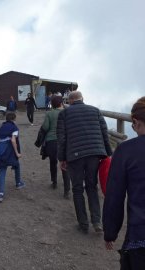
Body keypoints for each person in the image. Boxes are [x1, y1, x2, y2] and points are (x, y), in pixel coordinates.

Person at [57, 91, 112, 234]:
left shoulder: (64, 114)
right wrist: (108, 153)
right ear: (82, 99)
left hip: (74, 156)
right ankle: (96, 221)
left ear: (69, 101)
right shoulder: (95, 111)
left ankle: (83, 223)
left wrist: (62, 158)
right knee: (92, 187)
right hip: (94, 154)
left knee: (77, 189)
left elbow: (62, 138)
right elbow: (104, 133)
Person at [103, 97, 145, 270]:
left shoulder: (126, 150)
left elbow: (115, 195)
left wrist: (110, 232)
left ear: (135, 121)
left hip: (140, 238)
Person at [41, 95, 70, 198]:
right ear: (61, 103)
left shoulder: (49, 113)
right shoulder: (67, 113)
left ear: (52, 104)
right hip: (64, 141)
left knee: (53, 162)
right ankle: (67, 190)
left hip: (51, 141)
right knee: (65, 164)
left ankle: (54, 182)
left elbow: (45, 127)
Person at [0, 112, 25, 202]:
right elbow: (13, 140)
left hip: (1, 151)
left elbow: (0, 139)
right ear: (14, 119)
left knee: (2, 170)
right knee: (17, 165)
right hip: (9, 151)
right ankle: (18, 183)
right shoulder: (14, 127)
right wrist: (17, 153)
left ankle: (0, 193)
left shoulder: (2, 127)